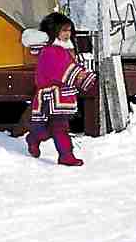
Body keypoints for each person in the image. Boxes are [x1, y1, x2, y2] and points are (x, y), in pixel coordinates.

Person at [24, 12, 97, 167]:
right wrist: (79, 75)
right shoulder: (50, 50)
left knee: (60, 128)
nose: (67, 34)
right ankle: (34, 138)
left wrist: (81, 72)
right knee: (44, 130)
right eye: (64, 30)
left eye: (69, 30)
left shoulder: (65, 49)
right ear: (54, 30)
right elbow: (60, 69)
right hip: (48, 97)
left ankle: (66, 155)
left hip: (62, 96)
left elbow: (70, 66)